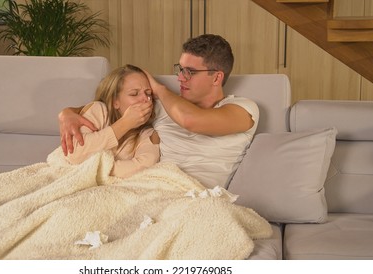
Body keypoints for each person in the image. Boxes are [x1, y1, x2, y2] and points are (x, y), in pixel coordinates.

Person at [59, 34, 259, 188]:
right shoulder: (165, 105)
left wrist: (160, 89)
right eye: (179, 69)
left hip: (196, 195)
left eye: (189, 72)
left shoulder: (243, 109)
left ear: (216, 78)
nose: (180, 78)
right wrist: (68, 113)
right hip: (149, 187)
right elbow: (112, 103)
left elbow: (191, 120)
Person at [66, 64, 160, 178]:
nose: (145, 99)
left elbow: (144, 167)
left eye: (148, 93)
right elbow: (75, 155)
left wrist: (93, 168)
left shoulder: (148, 134)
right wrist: (125, 123)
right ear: (115, 101)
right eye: (134, 94)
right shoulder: (98, 110)